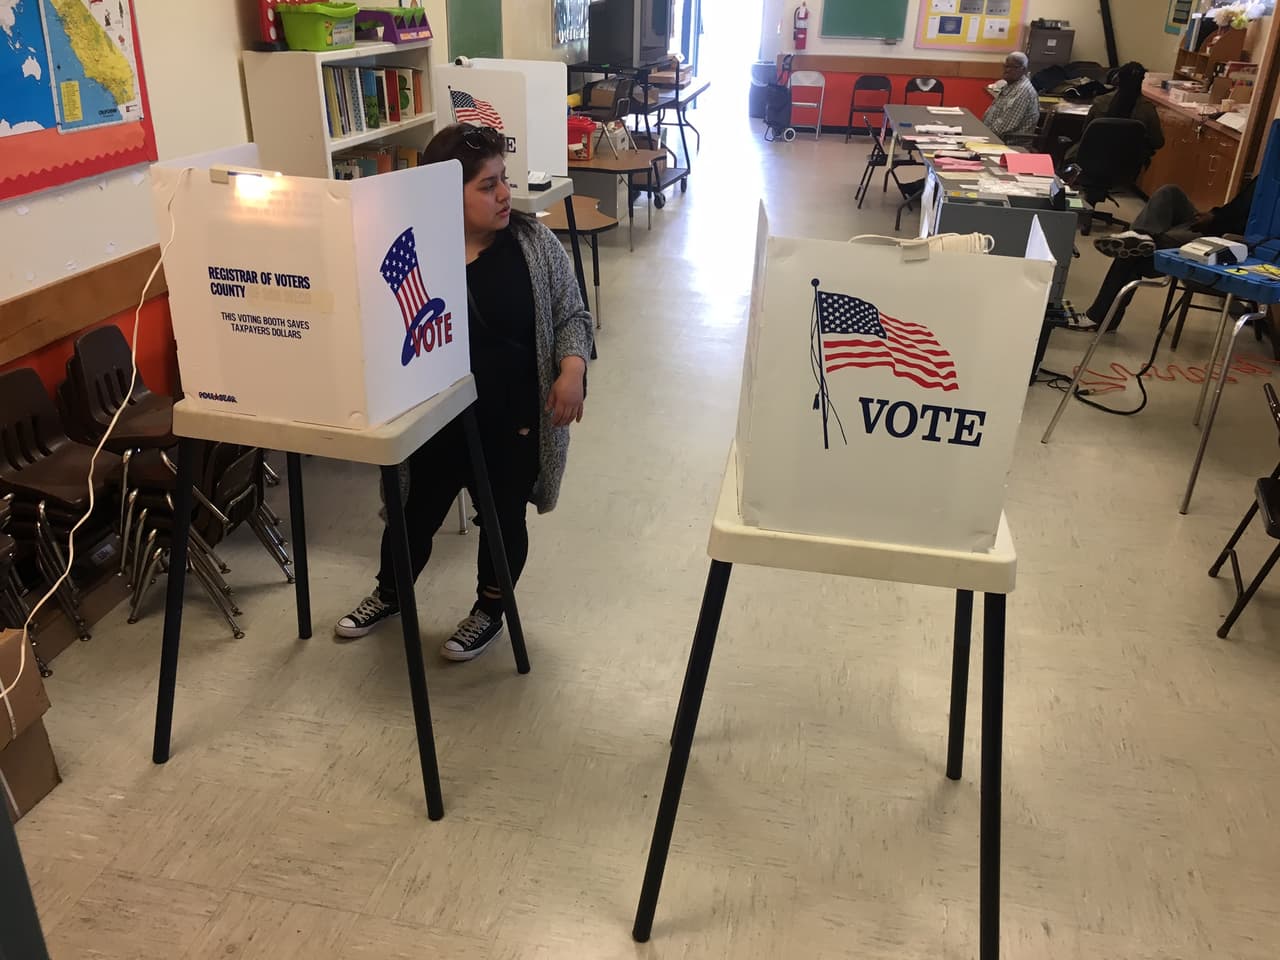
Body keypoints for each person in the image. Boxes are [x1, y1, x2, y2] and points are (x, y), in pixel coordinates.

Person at [335, 124, 594, 660]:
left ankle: (490, 609)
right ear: (444, 193)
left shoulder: (532, 244)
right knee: (412, 513)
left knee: (502, 518)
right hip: (435, 422)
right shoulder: (413, 251)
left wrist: (572, 369)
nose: (504, 194)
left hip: (512, 418)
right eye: (487, 185)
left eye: (504, 180)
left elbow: (571, 313)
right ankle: (391, 592)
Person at [1082, 179, 1257, 332]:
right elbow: (1236, 208)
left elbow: (1243, 224)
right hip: (1216, 225)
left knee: (1133, 253)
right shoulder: (1264, 177)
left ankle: (1100, 318)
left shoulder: (1269, 188)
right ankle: (1143, 235)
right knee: (1170, 192)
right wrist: (1213, 214)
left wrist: (1214, 218)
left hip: (1224, 242)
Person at [1067, 62, 1165, 164]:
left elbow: (1086, 132)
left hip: (1095, 160)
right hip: (1129, 164)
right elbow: (1158, 142)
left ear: (1118, 79)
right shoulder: (1147, 108)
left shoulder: (1100, 102)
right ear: (1142, 80)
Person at [983, 52, 1040, 143]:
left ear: (1023, 69)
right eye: (1006, 66)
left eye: (1013, 67)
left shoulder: (1023, 91)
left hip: (1009, 143)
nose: (1007, 70)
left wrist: (982, 134)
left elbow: (1003, 128)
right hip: (994, 137)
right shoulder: (1010, 85)